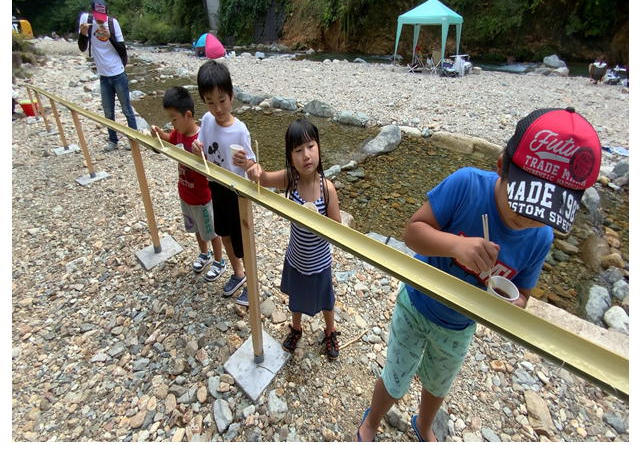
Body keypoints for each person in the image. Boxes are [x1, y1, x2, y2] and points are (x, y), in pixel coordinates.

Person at [355, 107, 602, 442]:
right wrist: (457, 247)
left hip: (460, 327)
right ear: (501, 166)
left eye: (544, 215)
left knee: (438, 385)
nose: (528, 221)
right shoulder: (466, 185)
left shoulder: (540, 238)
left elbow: (523, 295)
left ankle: (425, 425)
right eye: (523, 205)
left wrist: (511, 306)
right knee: (395, 378)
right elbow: (413, 232)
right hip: (416, 304)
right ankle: (373, 420)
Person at [235, 118, 343, 359]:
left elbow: (339, 231)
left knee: (327, 299)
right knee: (295, 298)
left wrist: (320, 224)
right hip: (296, 258)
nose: (306, 155)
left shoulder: (327, 189)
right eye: (298, 150)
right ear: (290, 156)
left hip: (320, 262)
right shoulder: (290, 180)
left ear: (319, 148)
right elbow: (262, 179)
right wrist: (251, 167)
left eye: (311, 147)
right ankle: (296, 328)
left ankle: (330, 330)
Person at [191, 60, 256, 306]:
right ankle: (238, 274)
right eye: (210, 102)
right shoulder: (207, 120)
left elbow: (252, 167)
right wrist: (197, 148)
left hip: (237, 193)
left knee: (243, 241)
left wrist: (247, 163)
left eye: (222, 100)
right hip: (216, 186)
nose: (217, 108)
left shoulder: (240, 130)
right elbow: (202, 147)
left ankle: (252, 282)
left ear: (232, 96)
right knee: (224, 234)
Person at [149, 86, 226, 281]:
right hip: (185, 193)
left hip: (203, 197)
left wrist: (201, 156)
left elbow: (213, 166)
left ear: (188, 115)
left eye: (174, 118)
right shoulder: (179, 133)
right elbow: (168, 139)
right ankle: (204, 253)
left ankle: (219, 260)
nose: (172, 123)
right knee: (197, 229)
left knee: (212, 230)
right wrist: (158, 133)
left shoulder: (202, 138)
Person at [78, 0, 137, 152]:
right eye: (98, 18)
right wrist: (83, 34)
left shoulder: (112, 23)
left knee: (127, 109)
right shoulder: (85, 20)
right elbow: (82, 48)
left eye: (102, 18)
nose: (100, 21)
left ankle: (134, 139)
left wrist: (110, 37)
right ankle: (113, 141)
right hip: (103, 75)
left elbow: (123, 50)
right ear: (92, 13)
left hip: (118, 72)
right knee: (108, 112)